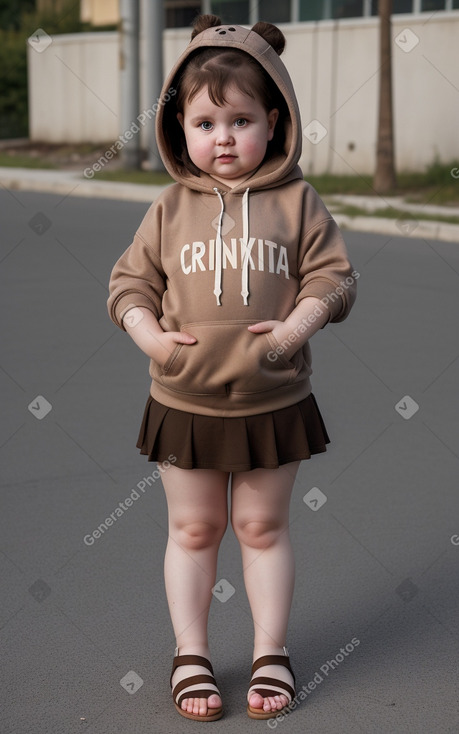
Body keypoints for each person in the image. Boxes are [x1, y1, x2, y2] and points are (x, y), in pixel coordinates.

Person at [107, 14, 357, 722]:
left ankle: (269, 649)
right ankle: (191, 652)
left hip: (273, 400)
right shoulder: (167, 208)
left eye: (241, 119)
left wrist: (297, 326)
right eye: (205, 121)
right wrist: (150, 336)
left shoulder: (297, 202)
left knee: (261, 528)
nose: (222, 137)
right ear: (178, 126)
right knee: (191, 531)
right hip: (183, 401)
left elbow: (335, 280)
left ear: (273, 122)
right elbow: (128, 284)